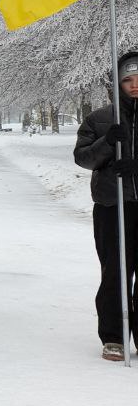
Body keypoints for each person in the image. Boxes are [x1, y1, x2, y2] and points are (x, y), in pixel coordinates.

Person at [74, 51, 138, 361]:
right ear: (117, 83)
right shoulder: (100, 119)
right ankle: (113, 336)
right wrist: (108, 143)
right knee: (115, 271)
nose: (134, 84)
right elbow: (83, 158)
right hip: (113, 207)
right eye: (127, 79)